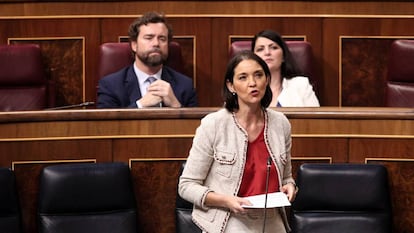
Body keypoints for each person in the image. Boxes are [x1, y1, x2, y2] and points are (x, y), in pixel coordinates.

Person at [178, 50, 297, 233]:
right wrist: (226, 200)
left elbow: (287, 176)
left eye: (258, 75)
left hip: (271, 218)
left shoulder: (280, 124)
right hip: (228, 217)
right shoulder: (214, 124)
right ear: (231, 85)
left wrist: (290, 185)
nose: (252, 83)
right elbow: (186, 186)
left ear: (267, 79)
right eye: (243, 77)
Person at [97, 12, 198, 108]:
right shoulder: (110, 85)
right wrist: (140, 105)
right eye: (149, 38)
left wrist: (176, 106)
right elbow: (106, 125)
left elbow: (195, 125)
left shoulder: (185, 85)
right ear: (134, 45)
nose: (156, 44)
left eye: (162, 39)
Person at [252, 29, 320, 107]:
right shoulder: (248, 87)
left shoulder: (301, 85)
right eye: (260, 49)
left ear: (283, 56)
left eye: (273, 48)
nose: (267, 52)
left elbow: (315, 118)